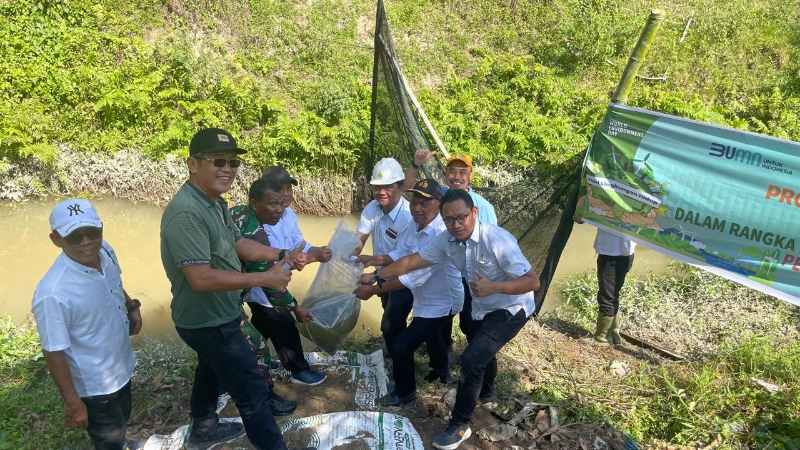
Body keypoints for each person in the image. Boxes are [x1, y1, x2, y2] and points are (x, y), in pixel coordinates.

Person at [363, 189, 539, 450]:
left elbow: (533, 281)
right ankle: (487, 391)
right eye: (449, 220)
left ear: (474, 214)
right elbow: (413, 260)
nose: (456, 225)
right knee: (481, 351)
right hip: (483, 305)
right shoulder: (445, 240)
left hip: (511, 307)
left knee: (470, 359)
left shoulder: (497, 240)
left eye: (462, 218)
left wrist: (494, 287)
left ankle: (459, 425)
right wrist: (378, 277)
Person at [160, 127, 294, 450]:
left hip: (219, 314)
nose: (228, 169)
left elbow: (238, 244)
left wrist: (281, 254)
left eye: (233, 163)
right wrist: (264, 279)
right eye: (218, 161)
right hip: (208, 322)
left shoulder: (215, 202)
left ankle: (203, 426)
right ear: (193, 164)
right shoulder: (186, 213)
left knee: (211, 366)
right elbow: (201, 278)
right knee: (252, 393)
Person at [32, 198, 142, 450]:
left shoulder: (105, 251)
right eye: (74, 236)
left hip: (120, 364)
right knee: (108, 439)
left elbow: (115, 282)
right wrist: (73, 403)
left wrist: (131, 307)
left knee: (122, 419)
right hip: (96, 386)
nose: (86, 242)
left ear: (101, 228)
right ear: (56, 239)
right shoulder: (53, 294)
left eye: (92, 232)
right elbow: (53, 351)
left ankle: (122, 441)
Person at [355, 179, 463, 406]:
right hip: (426, 295)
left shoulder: (440, 235)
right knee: (430, 335)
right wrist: (372, 261)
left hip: (443, 300)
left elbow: (410, 278)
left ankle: (405, 392)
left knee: (404, 344)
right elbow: (400, 254)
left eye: (425, 202)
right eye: (415, 201)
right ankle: (441, 372)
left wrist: (374, 288)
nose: (417, 207)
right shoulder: (414, 225)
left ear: (440, 205)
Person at [231, 175, 328, 387]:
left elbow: (295, 247)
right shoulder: (253, 229)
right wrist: (296, 307)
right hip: (230, 292)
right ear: (255, 202)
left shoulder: (243, 213)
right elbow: (269, 282)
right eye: (274, 202)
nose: (280, 207)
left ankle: (220, 383)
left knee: (261, 324)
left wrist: (311, 253)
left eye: (283, 199)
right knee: (276, 325)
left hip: (243, 285)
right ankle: (276, 385)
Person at [411, 151, 499, 356]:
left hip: (470, 274)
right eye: (452, 171)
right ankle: (443, 356)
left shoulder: (483, 207)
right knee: (440, 321)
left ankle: (475, 357)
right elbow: (412, 195)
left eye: (463, 172)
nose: (457, 177)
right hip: (441, 273)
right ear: (445, 173)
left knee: (471, 322)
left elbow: (492, 244)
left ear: (471, 175)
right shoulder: (436, 196)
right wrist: (416, 165)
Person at [354, 157, 414, 354]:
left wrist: (371, 262)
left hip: (403, 276)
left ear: (399, 186)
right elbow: (359, 239)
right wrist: (349, 259)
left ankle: (400, 358)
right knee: (389, 311)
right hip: (381, 274)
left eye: (387, 186)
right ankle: (395, 352)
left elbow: (403, 255)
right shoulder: (373, 208)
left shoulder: (409, 216)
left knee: (391, 322)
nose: (381, 192)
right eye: (377, 186)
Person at [591, 229, 635, 345]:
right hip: (627, 253)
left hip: (611, 254)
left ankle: (602, 338)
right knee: (612, 294)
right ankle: (614, 333)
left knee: (607, 297)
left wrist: (579, 213)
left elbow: (580, 218)